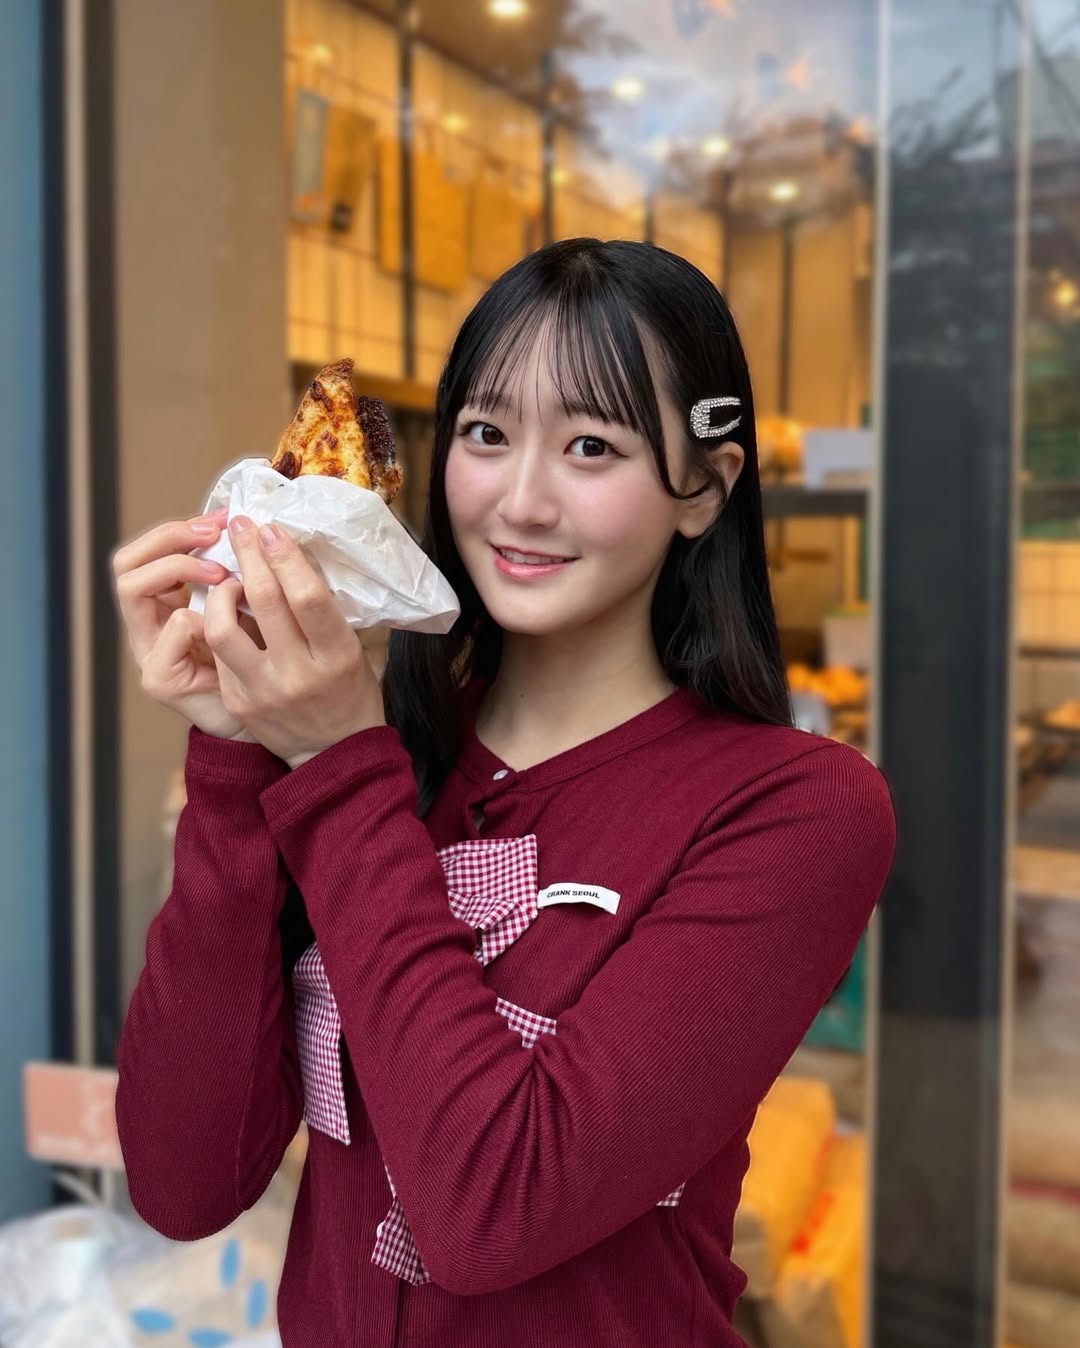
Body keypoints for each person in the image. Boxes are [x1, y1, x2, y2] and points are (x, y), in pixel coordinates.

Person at [112, 238, 895, 1348]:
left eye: (592, 446)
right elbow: (182, 1181)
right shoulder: (388, 751)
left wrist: (336, 769)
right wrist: (237, 756)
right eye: (486, 434)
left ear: (706, 491)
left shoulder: (795, 810)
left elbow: (492, 1209)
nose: (521, 502)